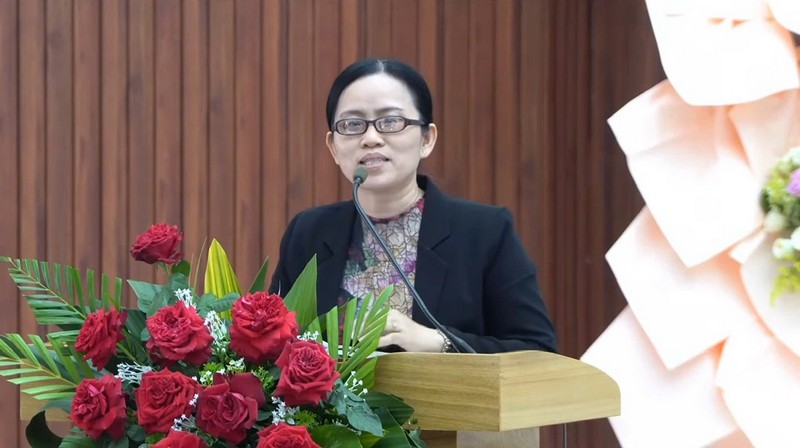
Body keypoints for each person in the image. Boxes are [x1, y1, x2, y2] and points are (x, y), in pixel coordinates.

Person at [269, 58, 557, 354]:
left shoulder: (485, 232)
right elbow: (272, 348)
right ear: (333, 147)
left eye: (390, 122)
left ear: (427, 139)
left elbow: (539, 351)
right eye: (352, 124)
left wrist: (439, 342)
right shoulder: (309, 233)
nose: (371, 138)